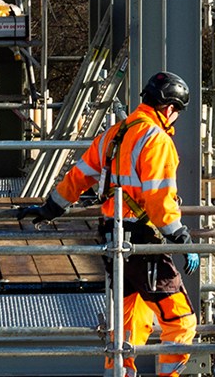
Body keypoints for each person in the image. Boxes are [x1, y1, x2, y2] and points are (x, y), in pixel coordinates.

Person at [22, 71, 197, 376]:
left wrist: (52, 207)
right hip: (142, 241)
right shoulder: (157, 139)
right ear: (169, 108)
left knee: (129, 318)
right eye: (177, 112)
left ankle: (120, 373)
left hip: (111, 235)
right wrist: (179, 235)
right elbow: (159, 197)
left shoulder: (116, 132)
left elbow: (80, 174)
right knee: (180, 321)